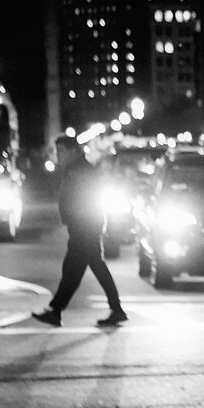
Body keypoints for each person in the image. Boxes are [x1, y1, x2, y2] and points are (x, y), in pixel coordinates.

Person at [32, 135, 128, 329]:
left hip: (84, 227)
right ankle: (116, 310)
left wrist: (80, 221)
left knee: (72, 270)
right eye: (56, 152)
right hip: (84, 225)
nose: (58, 156)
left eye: (61, 152)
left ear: (73, 151)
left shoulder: (80, 170)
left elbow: (85, 199)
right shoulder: (75, 169)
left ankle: (56, 310)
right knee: (93, 267)